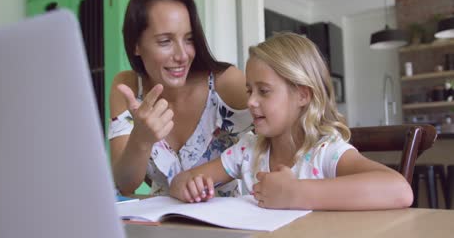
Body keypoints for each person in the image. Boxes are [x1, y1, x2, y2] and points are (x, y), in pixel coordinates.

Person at [169, 32, 414, 210]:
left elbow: (399, 190)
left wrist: (296, 193)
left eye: (264, 91)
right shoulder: (248, 149)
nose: (251, 102)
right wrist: (185, 186)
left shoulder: (325, 151)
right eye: (249, 91)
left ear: (302, 95)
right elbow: (185, 178)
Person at [109, 0, 252, 196]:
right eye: (165, 41)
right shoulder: (127, 89)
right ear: (136, 45)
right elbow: (124, 185)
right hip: (162, 225)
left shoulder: (226, 83)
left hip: (227, 227)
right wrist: (140, 139)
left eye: (189, 39)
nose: (182, 55)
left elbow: (290, 128)